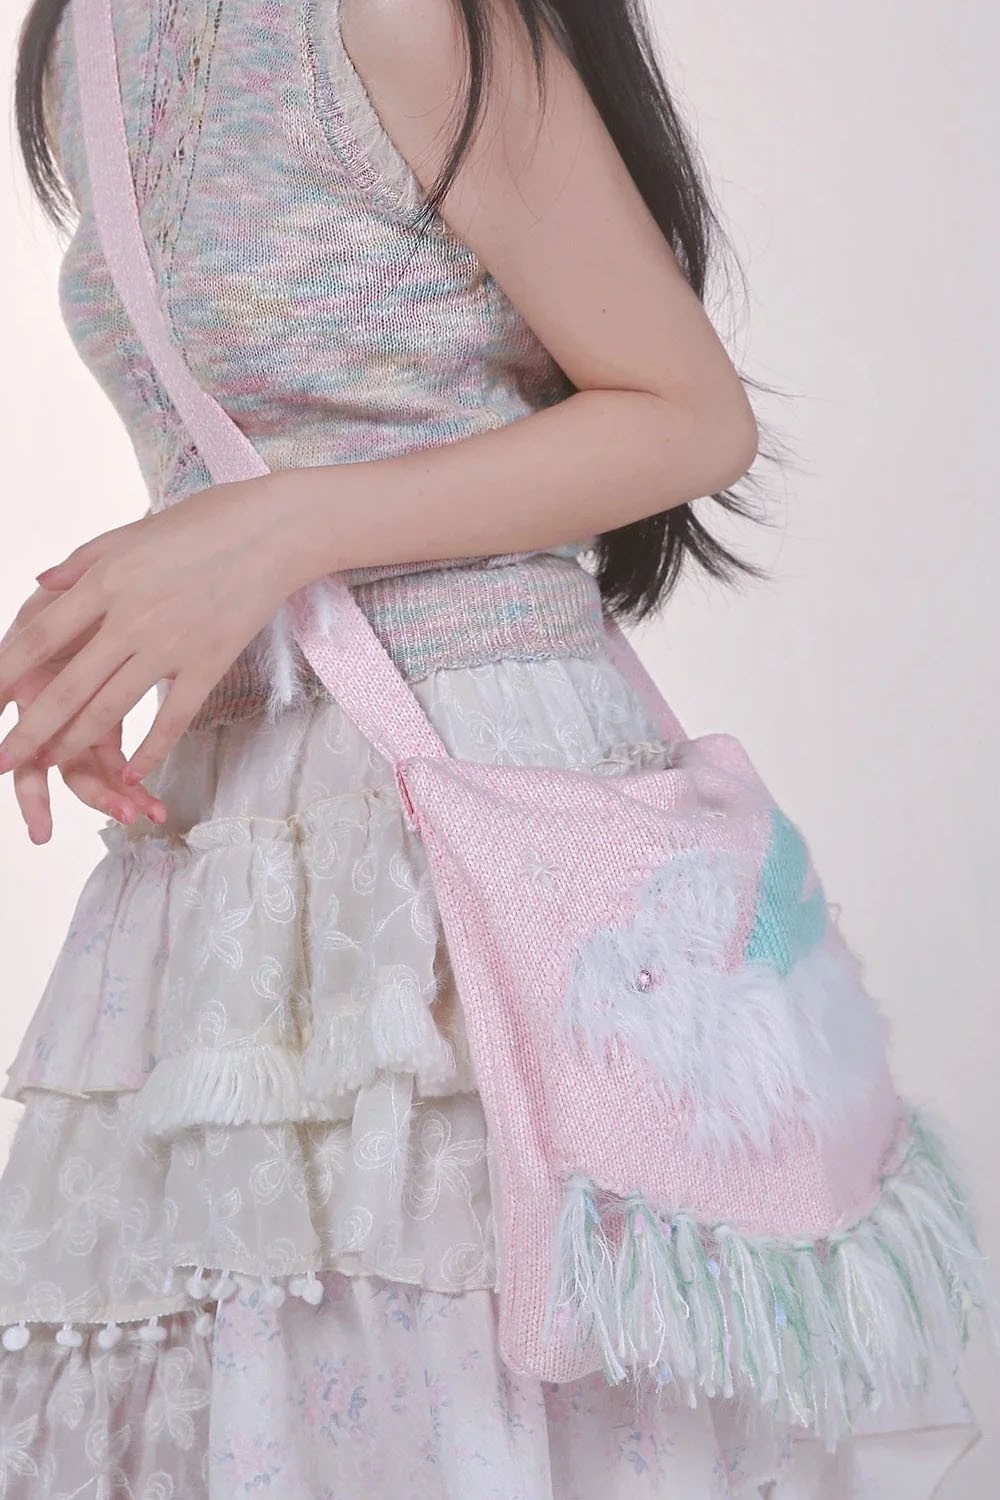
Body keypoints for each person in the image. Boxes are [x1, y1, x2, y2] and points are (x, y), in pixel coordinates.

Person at [0, 0, 983, 1495]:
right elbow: (242, 440)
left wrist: (271, 535)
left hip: (473, 816)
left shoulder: (388, 14)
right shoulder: (87, 35)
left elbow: (685, 414)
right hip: (240, 855)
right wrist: (129, 622)